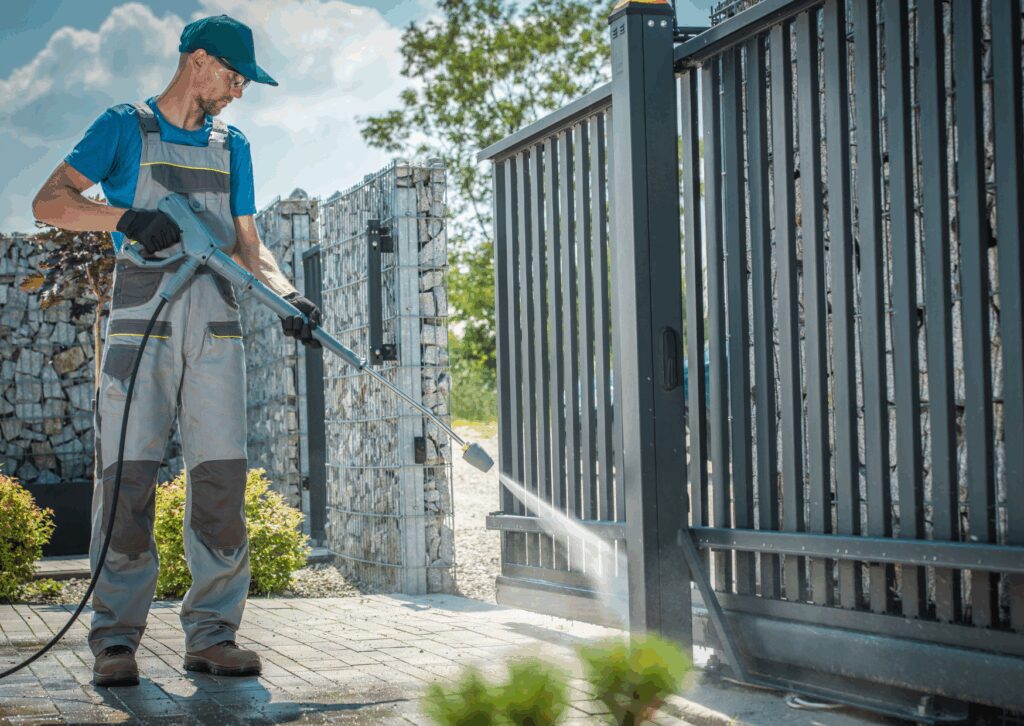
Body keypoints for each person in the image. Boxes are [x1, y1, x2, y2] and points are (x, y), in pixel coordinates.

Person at [31, 14, 322, 687]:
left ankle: (214, 636)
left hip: (216, 327)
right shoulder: (122, 127)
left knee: (220, 482)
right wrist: (125, 217)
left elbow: (249, 246)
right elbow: (51, 202)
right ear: (197, 60)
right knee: (127, 481)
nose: (240, 90)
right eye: (234, 74)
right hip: (140, 328)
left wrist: (288, 296)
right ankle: (114, 640)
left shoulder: (233, 144)